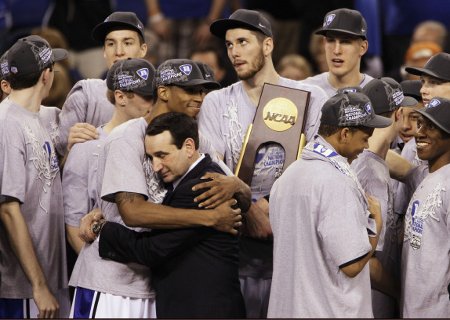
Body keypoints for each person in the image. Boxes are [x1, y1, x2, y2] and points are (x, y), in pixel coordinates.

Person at [74, 60, 249, 318]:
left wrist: (238, 185)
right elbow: (133, 213)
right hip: (114, 281)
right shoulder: (127, 137)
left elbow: (237, 196)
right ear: (164, 92)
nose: (200, 98)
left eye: (203, 91)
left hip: (156, 283)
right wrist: (209, 219)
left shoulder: (199, 138)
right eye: (190, 90)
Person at [200, 8, 329, 317]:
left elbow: (317, 161)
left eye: (243, 42)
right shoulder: (217, 101)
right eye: (229, 45)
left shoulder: (310, 95)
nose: (234, 52)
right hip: (235, 246)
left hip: (294, 246)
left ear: (268, 45)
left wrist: (271, 204)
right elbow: (213, 163)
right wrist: (249, 206)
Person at [97, 112, 246, 318]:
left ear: (188, 147)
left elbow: (150, 250)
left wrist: (103, 229)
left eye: (162, 155)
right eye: (150, 157)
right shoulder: (197, 179)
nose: (155, 167)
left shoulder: (203, 187)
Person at [268, 91, 389, 317]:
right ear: (345, 134)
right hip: (326, 310)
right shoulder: (335, 182)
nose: (366, 146)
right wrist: (377, 226)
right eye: (364, 138)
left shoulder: (288, 175)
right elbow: (352, 265)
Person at [0, 35, 70, 318]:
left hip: (49, 281)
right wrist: (39, 285)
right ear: (46, 75)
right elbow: (7, 209)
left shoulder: (48, 117)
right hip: (24, 288)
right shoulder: (6, 124)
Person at [63, 58, 155, 255]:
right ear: (120, 97)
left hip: (149, 267)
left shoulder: (158, 142)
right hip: (104, 270)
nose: (153, 103)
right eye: (147, 97)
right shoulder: (86, 147)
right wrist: (99, 270)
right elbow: (73, 226)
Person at [352, 78, 417, 318]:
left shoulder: (370, 160)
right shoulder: (370, 172)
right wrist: (403, 294)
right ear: (399, 113)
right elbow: (367, 262)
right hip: (370, 300)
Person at [57, 11, 148, 156]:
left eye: (127, 43)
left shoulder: (159, 96)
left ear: (143, 50)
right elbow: (60, 154)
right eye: (111, 44)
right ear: (104, 51)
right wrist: (68, 142)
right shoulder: (86, 94)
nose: (119, 51)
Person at [401, 97, 450, 318]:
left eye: (431, 126)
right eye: (420, 124)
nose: (419, 133)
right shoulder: (426, 176)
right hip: (414, 308)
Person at [302, 8, 373, 97]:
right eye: (331, 40)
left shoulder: (379, 94)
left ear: (363, 47)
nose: (336, 51)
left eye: (345, 42)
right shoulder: (306, 90)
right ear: (324, 43)